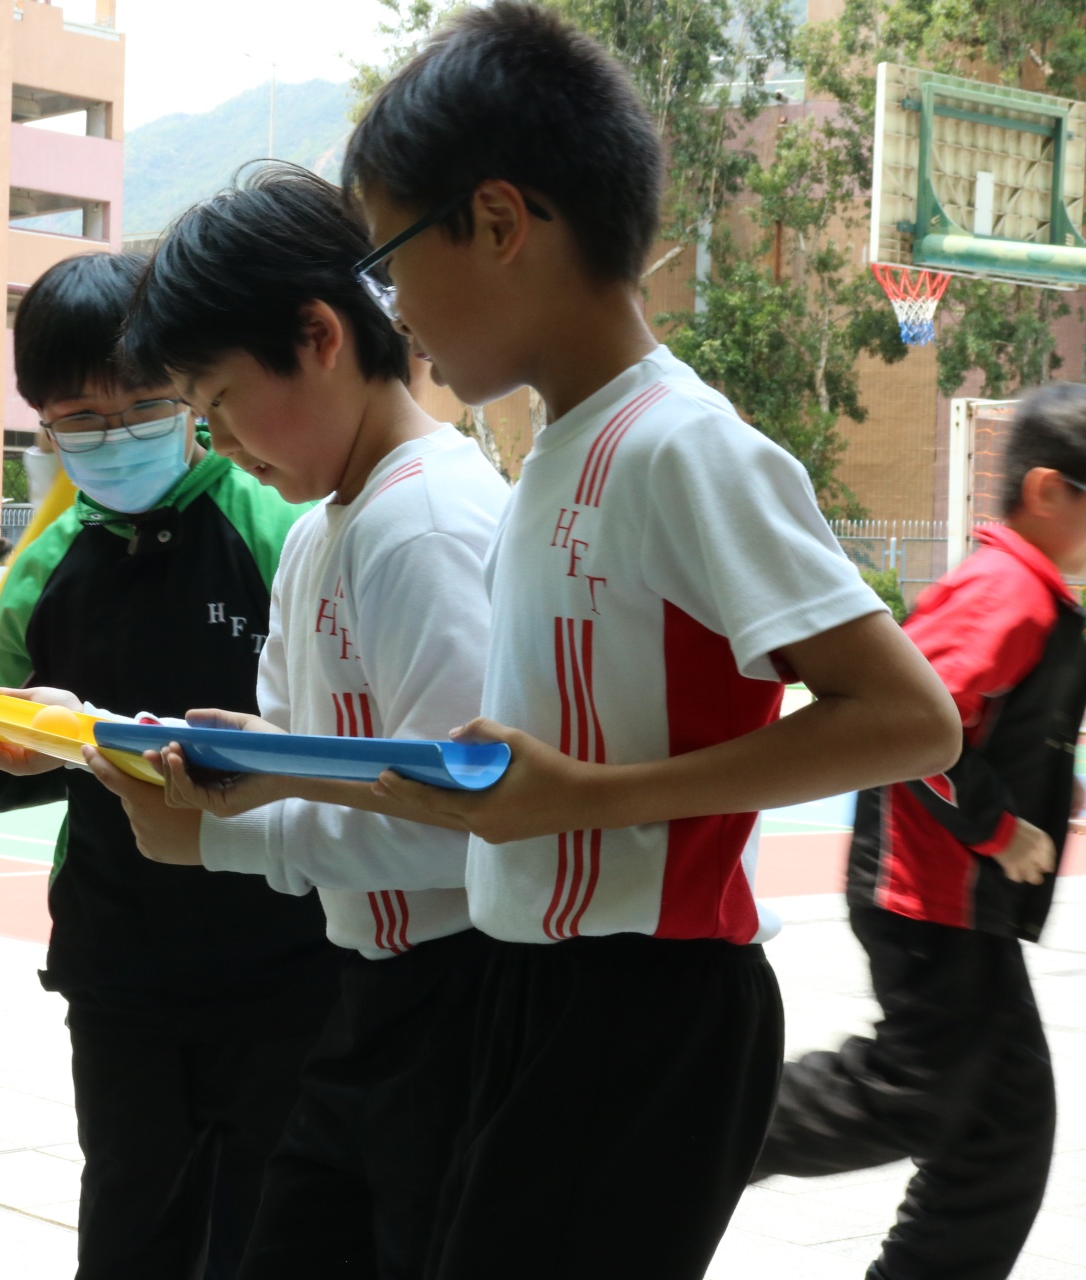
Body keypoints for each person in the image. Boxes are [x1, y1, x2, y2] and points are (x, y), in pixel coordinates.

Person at [318, 5, 963, 1276]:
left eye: (389, 258)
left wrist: (587, 800)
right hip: (537, 987)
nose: (395, 309)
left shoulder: (680, 445)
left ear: (497, 222)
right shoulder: (553, 451)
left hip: (647, 1000)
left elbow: (910, 718)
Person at [88, 165, 509, 1280]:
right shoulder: (326, 528)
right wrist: (205, 759)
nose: (215, 440)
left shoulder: (422, 524)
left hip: (457, 998)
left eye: (219, 399)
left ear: (320, 336)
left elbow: (461, 822)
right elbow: (308, 757)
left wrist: (216, 834)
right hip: (368, 992)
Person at [0, 251, 341, 1280]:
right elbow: (17, 756)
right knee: (131, 1222)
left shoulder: (281, 530)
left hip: (288, 957)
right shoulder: (44, 569)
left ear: (190, 392)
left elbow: (332, 735)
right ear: (42, 423)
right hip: (119, 963)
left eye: (142, 406)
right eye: (81, 418)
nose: (116, 432)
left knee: (267, 1234)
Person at [752, 385, 1086, 1280]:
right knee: (917, 1091)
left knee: (1002, 1129)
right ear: (1047, 490)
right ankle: (709, 1124)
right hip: (926, 895)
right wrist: (999, 828)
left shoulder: (1030, 593)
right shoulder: (1006, 594)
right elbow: (915, 723)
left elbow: (985, 727)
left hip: (960, 900)